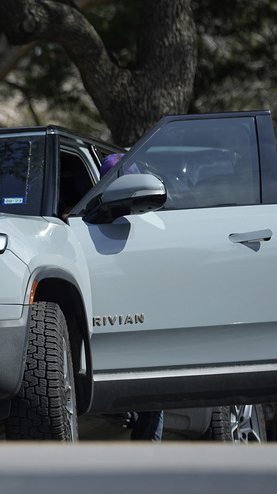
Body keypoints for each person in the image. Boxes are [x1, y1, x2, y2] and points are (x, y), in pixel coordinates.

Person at [100, 153, 165, 441]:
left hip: (145, 312)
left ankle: (146, 454)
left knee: (152, 387)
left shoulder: (154, 223)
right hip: (110, 315)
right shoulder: (90, 218)